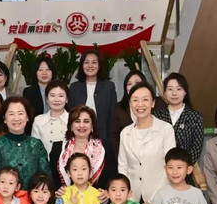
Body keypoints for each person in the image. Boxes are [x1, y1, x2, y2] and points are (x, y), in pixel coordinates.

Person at [0, 96, 50, 195]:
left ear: (27, 117)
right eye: (11, 114)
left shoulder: (36, 145)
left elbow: (45, 179)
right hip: (3, 202)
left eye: (20, 113)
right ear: (4, 118)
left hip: (32, 202)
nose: (16, 118)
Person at [68, 49, 118, 180]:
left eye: (94, 62)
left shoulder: (109, 87)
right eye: (86, 62)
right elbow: (71, 116)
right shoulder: (74, 88)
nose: (90, 66)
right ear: (81, 65)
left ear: (99, 65)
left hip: (103, 139)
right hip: (79, 139)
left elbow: (112, 115)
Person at [153, 73, 204, 174]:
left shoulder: (195, 117)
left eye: (178, 89)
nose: (174, 93)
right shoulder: (156, 115)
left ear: (185, 92)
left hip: (184, 173)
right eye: (170, 89)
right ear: (164, 92)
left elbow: (196, 148)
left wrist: (181, 168)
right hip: (159, 170)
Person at [49, 105, 105, 190]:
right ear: (71, 126)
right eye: (77, 121)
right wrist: (57, 192)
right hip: (65, 197)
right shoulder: (58, 148)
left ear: (92, 126)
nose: (81, 125)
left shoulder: (104, 148)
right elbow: (52, 179)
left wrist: (105, 192)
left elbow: (111, 179)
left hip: (96, 197)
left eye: (86, 121)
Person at [109, 70, 146, 157]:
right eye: (129, 84)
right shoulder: (119, 108)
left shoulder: (157, 103)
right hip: (127, 157)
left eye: (137, 83)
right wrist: (120, 157)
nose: (133, 86)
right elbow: (114, 136)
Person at [31, 79, 69, 155]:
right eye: (52, 95)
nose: (56, 99)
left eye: (61, 96)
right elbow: (34, 149)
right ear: (47, 99)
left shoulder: (73, 119)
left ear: (67, 99)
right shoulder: (39, 121)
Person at [23, 56, 56, 132]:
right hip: (35, 130)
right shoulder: (28, 92)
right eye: (40, 70)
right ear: (35, 73)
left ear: (52, 72)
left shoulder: (59, 90)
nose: (44, 73)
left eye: (48, 69)